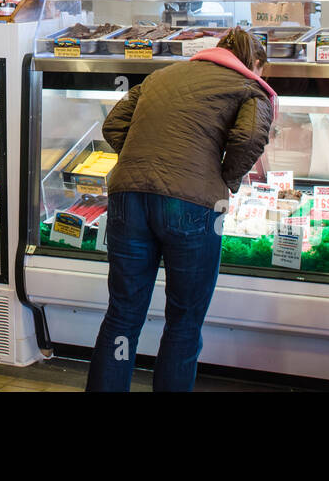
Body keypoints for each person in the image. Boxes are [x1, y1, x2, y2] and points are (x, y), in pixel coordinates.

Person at [85, 27, 274, 393]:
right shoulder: (251, 87)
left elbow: (114, 123)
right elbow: (250, 137)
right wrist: (224, 179)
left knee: (122, 315)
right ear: (254, 64)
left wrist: (145, 163)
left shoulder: (161, 75)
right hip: (192, 208)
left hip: (128, 199)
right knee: (184, 322)